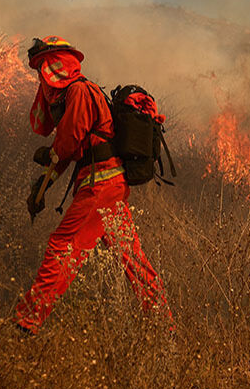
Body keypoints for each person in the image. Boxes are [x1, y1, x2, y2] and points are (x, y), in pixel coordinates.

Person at [13, 36, 171, 333]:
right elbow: (68, 149)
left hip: (99, 187)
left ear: (55, 66)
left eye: (43, 68)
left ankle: (27, 320)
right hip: (111, 185)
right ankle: (165, 328)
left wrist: (50, 156)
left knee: (62, 245)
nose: (42, 78)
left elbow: (69, 141)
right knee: (133, 260)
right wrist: (42, 187)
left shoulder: (80, 92)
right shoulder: (80, 93)